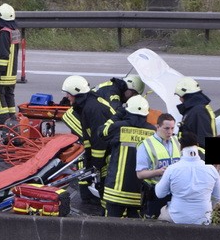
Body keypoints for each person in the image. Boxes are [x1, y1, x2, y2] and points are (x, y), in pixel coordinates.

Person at [60, 75, 117, 211]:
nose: (67, 97)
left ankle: (106, 214)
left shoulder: (93, 109)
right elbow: (89, 137)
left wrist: (96, 163)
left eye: (68, 94)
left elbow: (99, 140)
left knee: (105, 182)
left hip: (110, 150)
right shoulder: (87, 104)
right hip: (106, 149)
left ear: (76, 92)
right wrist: (89, 157)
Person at [100, 95, 155, 218]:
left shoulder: (119, 127)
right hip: (139, 192)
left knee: (109, 230)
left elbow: (101, 132)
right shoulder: (153, 132)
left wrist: (117, 115)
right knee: (134, 232)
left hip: (115, 190)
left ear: (127, 111)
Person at [154, 132, 220, 225]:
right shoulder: (211, 169)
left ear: (180, 147)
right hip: (204, 217)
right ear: (197, 146)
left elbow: (159, 194)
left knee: (162, 213)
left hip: (176, 216)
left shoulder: (172, 169)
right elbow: (218, 196)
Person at [136, 113, 181, 218]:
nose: (170, 132)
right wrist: (158, 172)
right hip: (155, 194)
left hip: (175, 192)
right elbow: (140, 174)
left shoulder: (176, 141)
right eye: (166, 128)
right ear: (157, 127)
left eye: (172, 128)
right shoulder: (146, 145)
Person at [0, 3, 19, 124]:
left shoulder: (4, 33)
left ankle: (4, 121)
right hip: (12, 73)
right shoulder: (15, 31)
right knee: (9, 96)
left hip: (3, 73)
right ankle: (12, 120)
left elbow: (3, 53)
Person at [175, 77, 216, 142]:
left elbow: (203, 139)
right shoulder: (196, 109)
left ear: (186, 96)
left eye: (180, 96)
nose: (180, 99)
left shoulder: (198, 111)